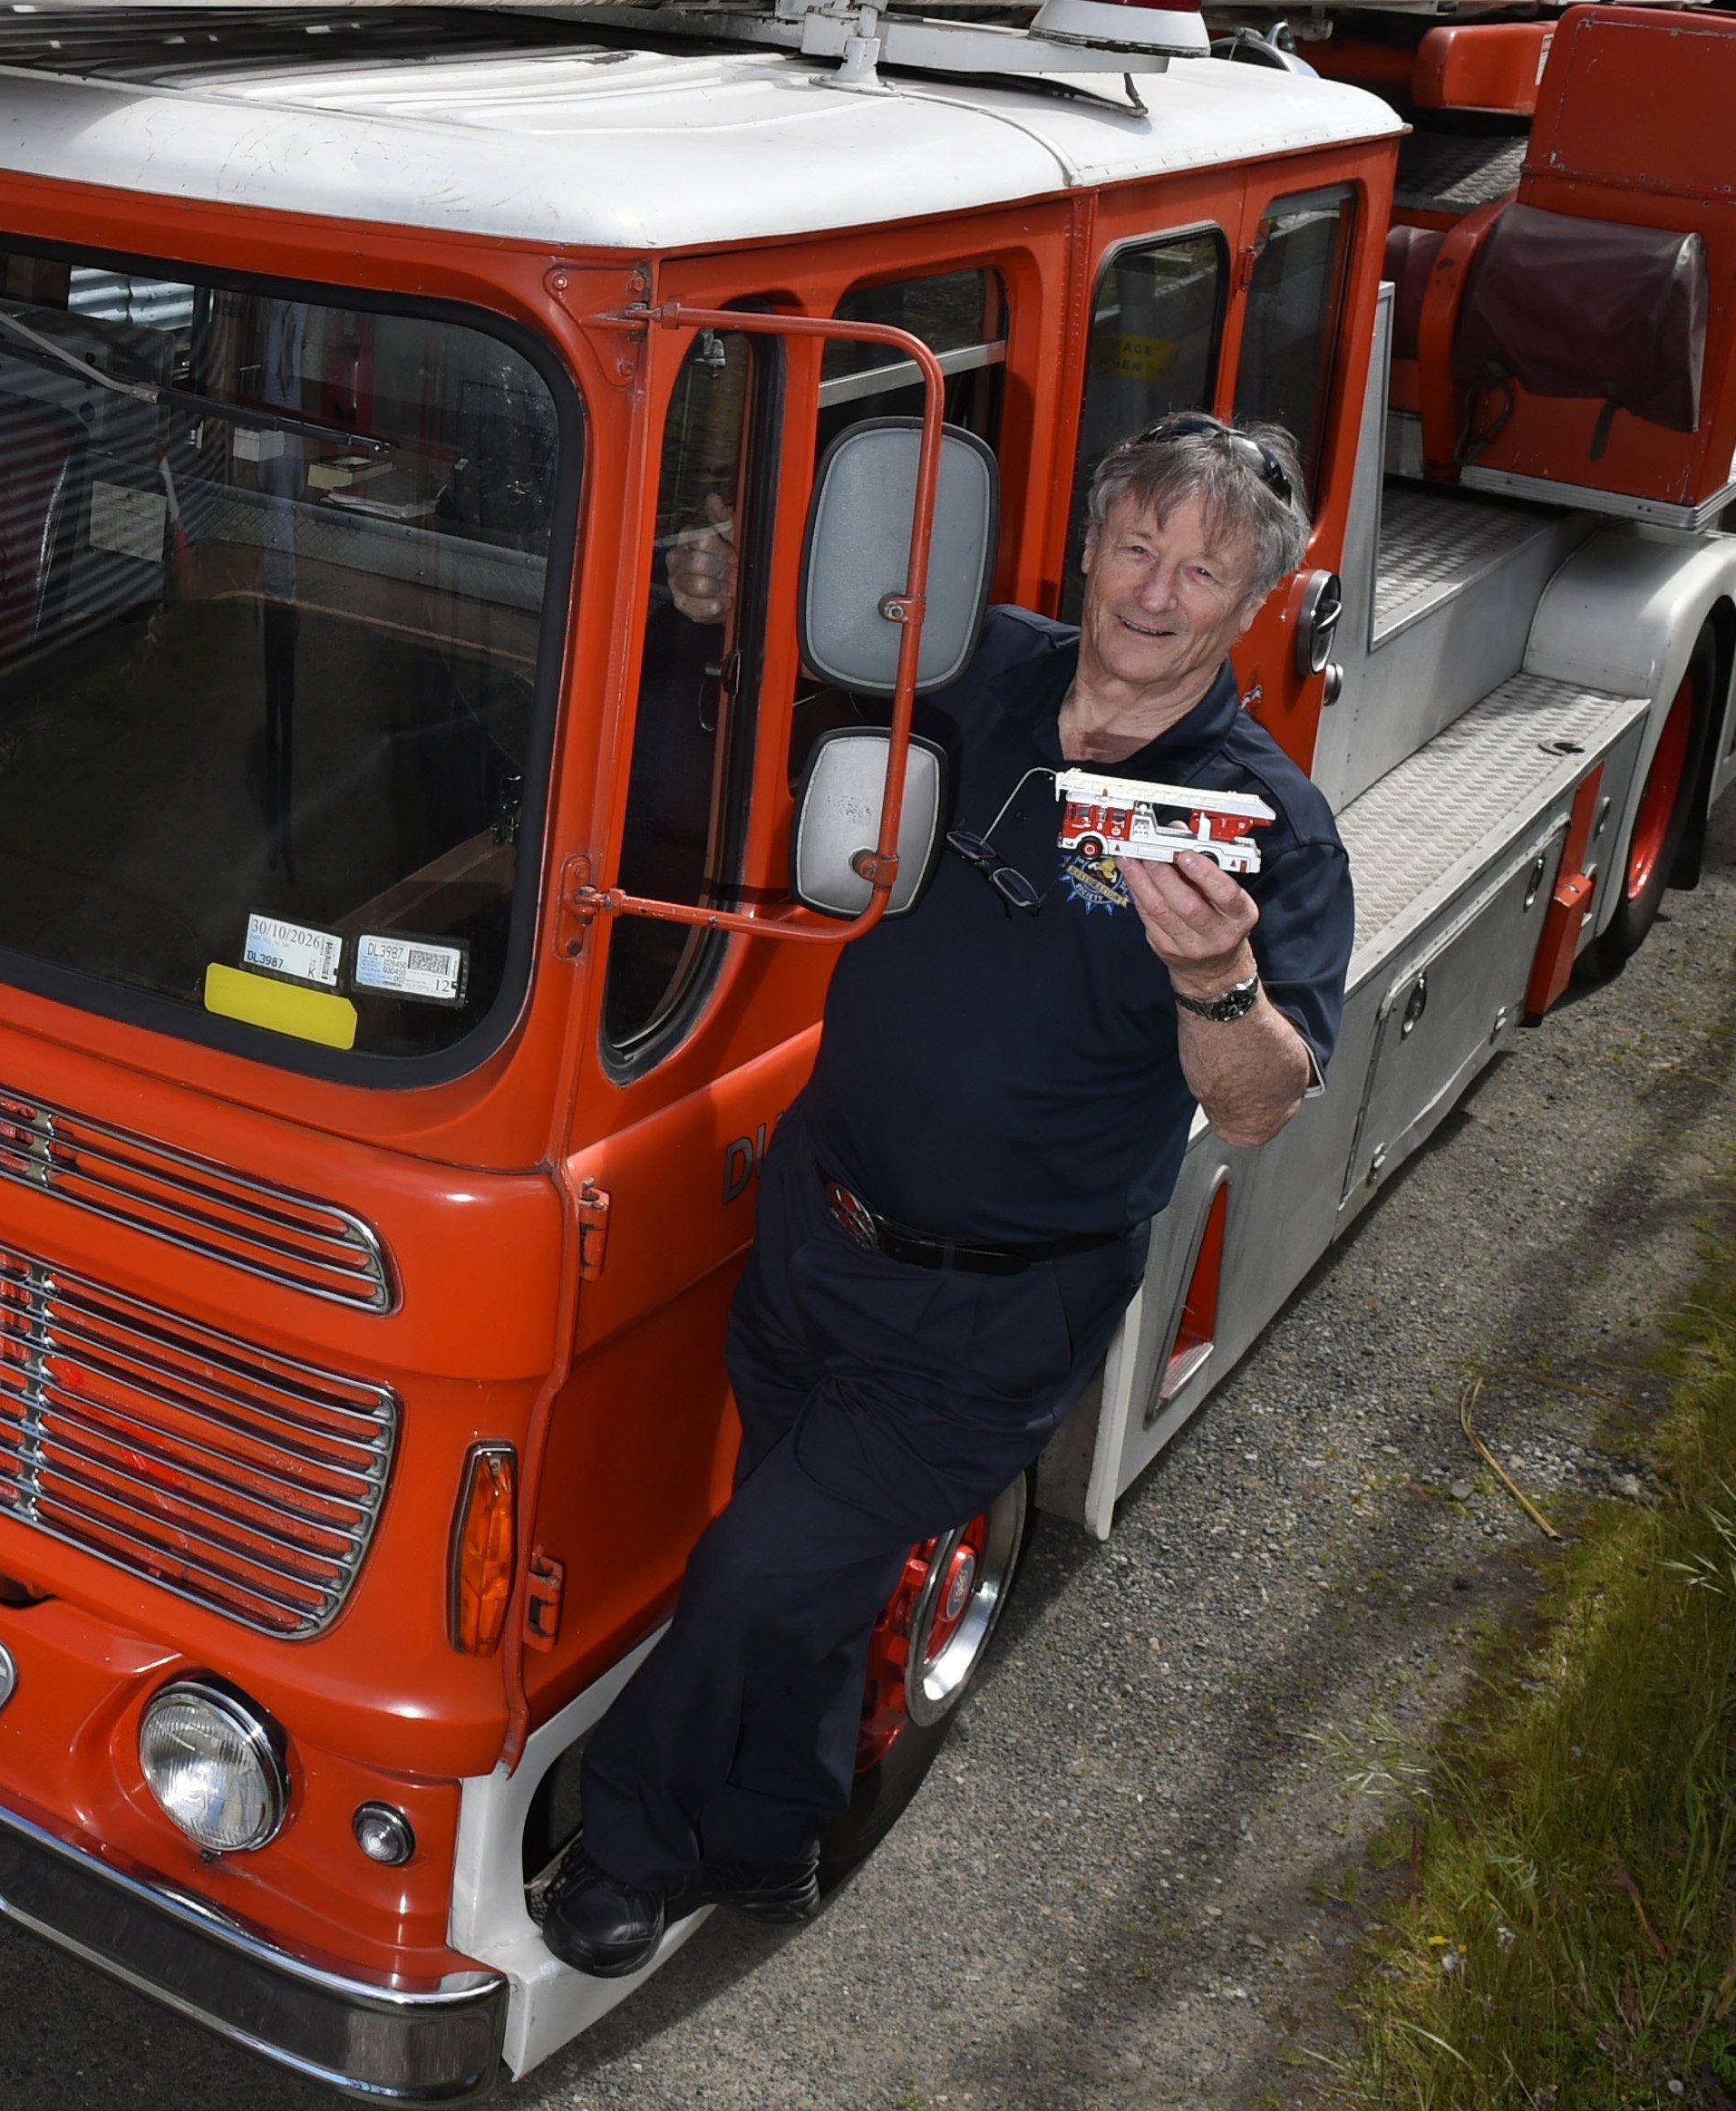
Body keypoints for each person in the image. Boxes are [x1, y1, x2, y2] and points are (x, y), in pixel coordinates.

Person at [538, 413, 1357, 1975]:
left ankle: (634, 1846)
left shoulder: (1261, 829)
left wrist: (1212, 974)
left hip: (991, 1311)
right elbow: (797, 678)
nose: (1158, 593)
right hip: (818, 1219)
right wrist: (716, 590)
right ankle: (779, 1838)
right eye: (1138, 546)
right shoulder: (978, 668)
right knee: (814, 1577)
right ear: (1092, 544)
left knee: (755, 1567)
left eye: (1204, 571)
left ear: (1255, 599)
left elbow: (1260, 1106)